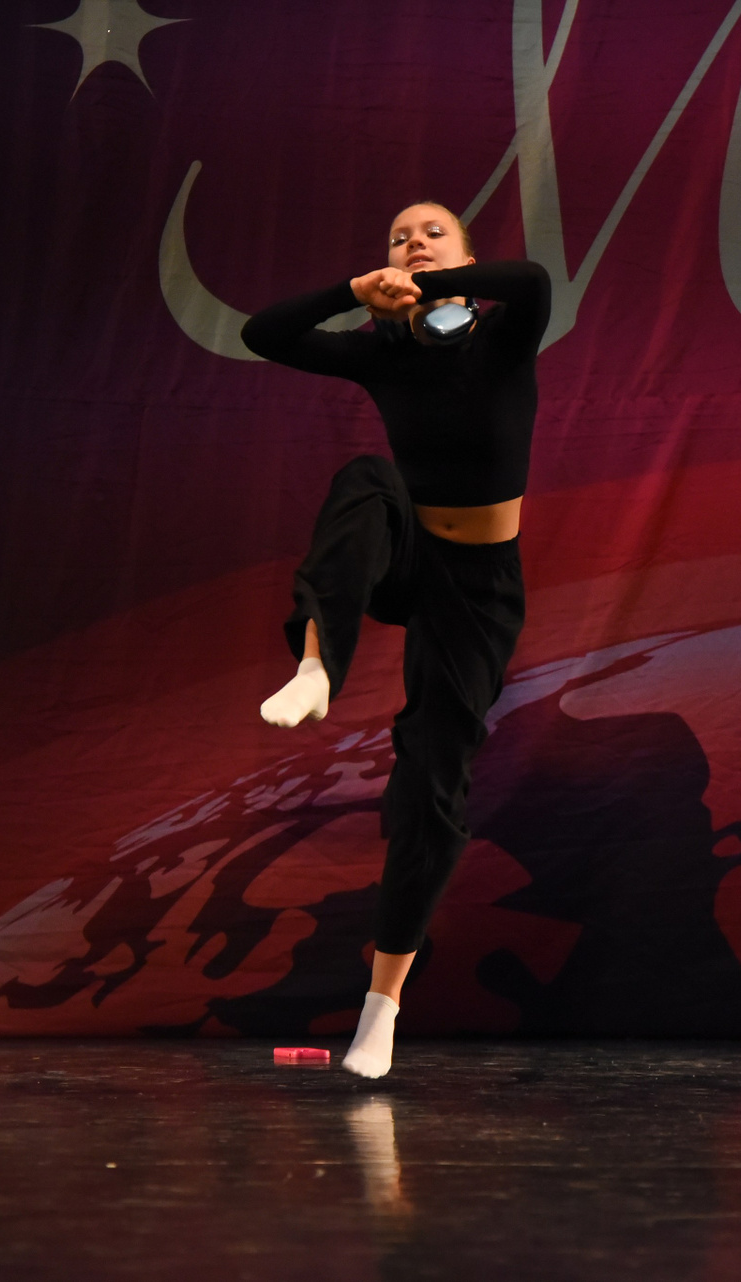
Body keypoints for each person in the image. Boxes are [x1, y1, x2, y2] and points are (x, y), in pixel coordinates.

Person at [240, 203, 551, 1077]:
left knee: (431, 784)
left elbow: (531, 282)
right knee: (369, 479)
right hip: (410, 553)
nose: (412, 242)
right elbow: (263, 334)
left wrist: (433, 284)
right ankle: (316, 666)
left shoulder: (501, 338)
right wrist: (356, 291)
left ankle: (380, 1011)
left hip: (478, 592)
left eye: (432, 233)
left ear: (464, 256)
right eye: (398, 238)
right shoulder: (381, 351)